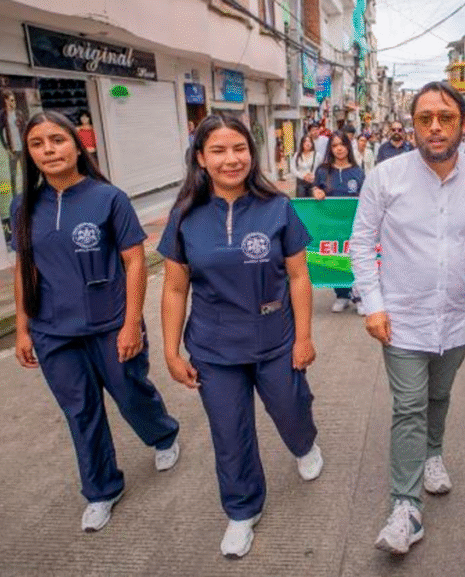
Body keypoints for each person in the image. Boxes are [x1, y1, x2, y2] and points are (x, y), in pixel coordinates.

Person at [349, 80, 465, 555]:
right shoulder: (386, 176)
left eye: (446, 118)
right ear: (412, 125)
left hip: (458, 318)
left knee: (439, 393)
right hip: (402, 320)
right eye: (425, 118)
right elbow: (361, 244)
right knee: (409, 405)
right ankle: (405, 507)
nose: (435, 127)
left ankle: (433, 453)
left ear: (463, 123)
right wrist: (373, 305)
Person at [159, 114, 323, 559]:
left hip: (275, 338)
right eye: (218, 150)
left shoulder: (277, 207)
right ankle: (241, 511)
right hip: (214, 347)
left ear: (252, 154)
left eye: (239, 149)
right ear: (200, 158)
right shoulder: (184, 216)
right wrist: (171, 352)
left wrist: (303, 337)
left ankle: (304, 443)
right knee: (229, 433)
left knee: (290, 409)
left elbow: (299, 277)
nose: (231, 159)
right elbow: (175, 288)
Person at [10, 111, 180, 533]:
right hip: (53, 330)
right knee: (80, 411)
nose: (48, 150)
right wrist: (22, 326)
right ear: (28, 154)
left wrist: (130, 323)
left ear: (76, 145)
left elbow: (135, 260)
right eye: (37, 144)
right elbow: (23, 268)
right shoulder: (23, 206)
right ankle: (102, 490)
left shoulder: (109, 198)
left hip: (108, 323)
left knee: (130, 393)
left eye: (57, 140)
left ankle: (162, 435)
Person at [313, 131, 366, 313]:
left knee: (355, 259)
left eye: (342, 144)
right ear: (330, 148)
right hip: (331, 227)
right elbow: (314, 189)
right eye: (334, 145)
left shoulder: (358, 172)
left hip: (354, 226)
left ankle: (359, 296)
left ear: (348, 146)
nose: (339, 149)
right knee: (336, 259)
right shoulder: (322, 171)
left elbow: (366, 196)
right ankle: (342, 295)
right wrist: (315, 192)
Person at [0, 89, 28, 196]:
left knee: (25, 172)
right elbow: (0, 133)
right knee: (13, 173)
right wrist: (6, 148)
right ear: (5, 101)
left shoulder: (19, 113)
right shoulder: (3, 115)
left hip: (22, 148)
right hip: (12, 149)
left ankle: (26, 192)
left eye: (13, 100)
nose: (12, 103)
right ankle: (14, 194)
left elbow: (25, 130)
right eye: (10, 100)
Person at [290, 134, 320, 198]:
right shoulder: (297, 155)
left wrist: (314, 176)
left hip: (313, 183)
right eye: (305, 141)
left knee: (313, 203)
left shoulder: (317, 155)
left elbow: (320, 168)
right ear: (302, 144)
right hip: (301, 183)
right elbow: (292, 168)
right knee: (302, 203)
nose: (307, 143)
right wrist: (303, 176)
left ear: (312, 143)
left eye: (309, 141)